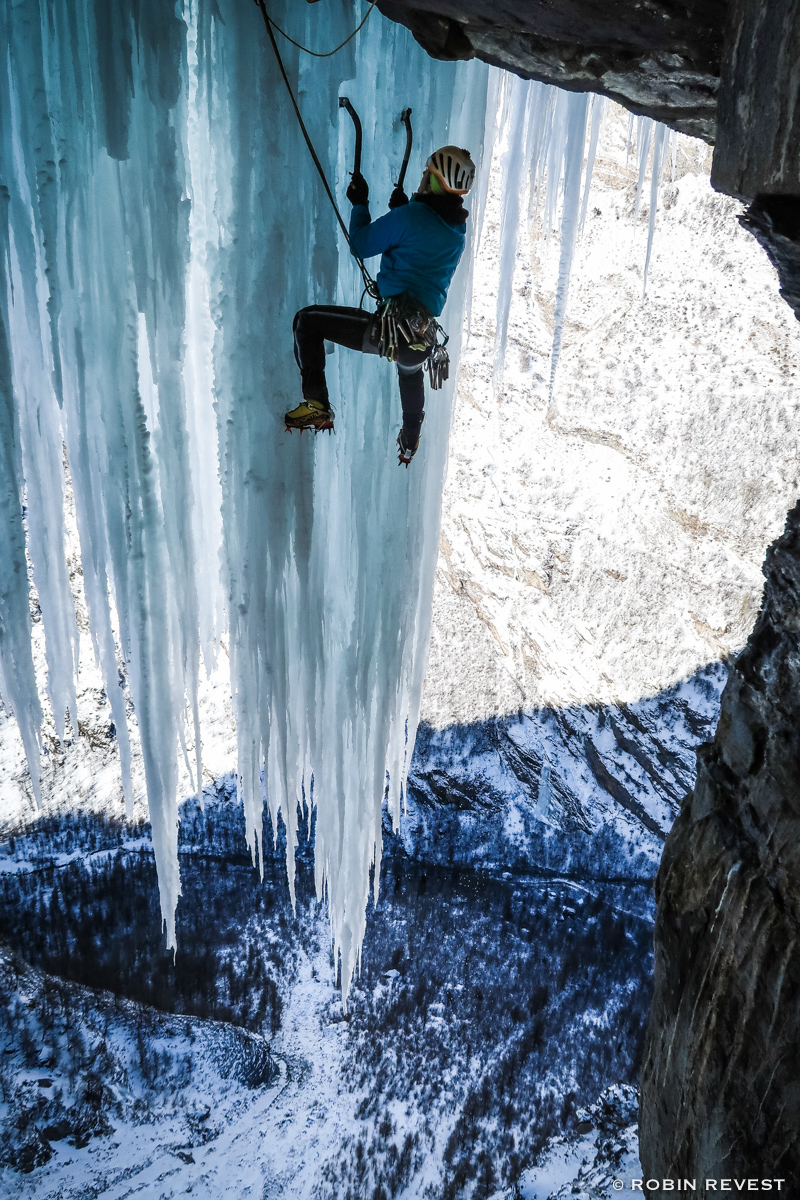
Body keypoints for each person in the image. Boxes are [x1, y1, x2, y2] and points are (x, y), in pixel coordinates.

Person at [286, 145, 476, 465]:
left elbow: (361, 244)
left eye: (427, 172)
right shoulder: (457, 232)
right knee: (409, 373)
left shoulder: (411, 217)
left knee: (307, 322)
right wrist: (404, 212)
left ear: (434, 180)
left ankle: (316, 405)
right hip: (421, 339)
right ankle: (410, 439)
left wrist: (360, 203)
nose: (421, 176)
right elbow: (423, 247)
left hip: (391, 330)